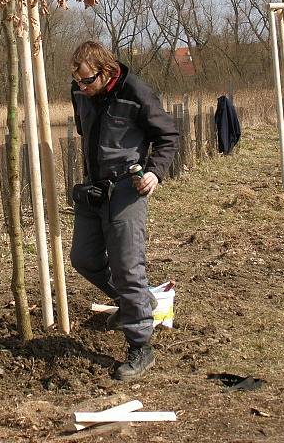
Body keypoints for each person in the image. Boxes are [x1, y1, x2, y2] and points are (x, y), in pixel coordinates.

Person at [69, 41, 179, 381]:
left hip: (127, 188)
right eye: (78, 82)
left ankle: (141, 346)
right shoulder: (80, 92)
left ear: (107, 71)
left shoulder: (136, 92)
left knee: (127, 265)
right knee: (84, 258)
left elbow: (169, 137)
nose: (82, 89)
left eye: (88, 81)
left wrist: (154, 172)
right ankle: (137, 305)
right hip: (94, 188)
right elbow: (85, 131)